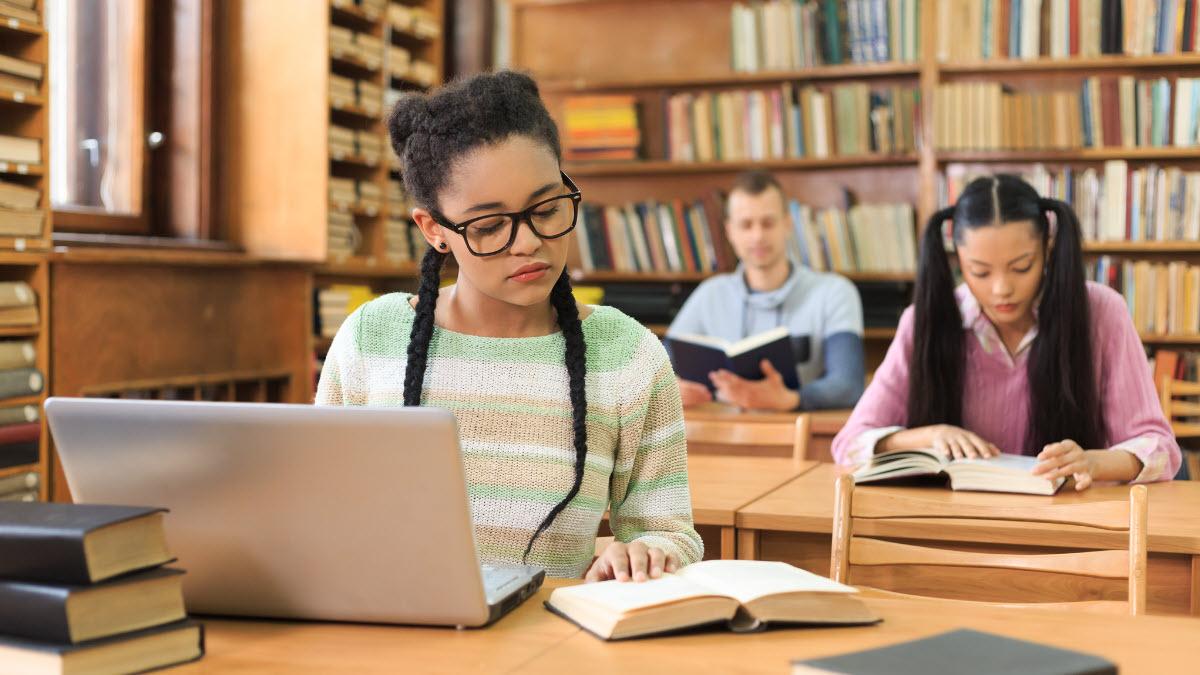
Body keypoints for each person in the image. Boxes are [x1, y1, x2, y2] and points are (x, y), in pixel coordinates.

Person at [316, 71, 703, 580]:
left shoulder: (627, 353)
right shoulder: (371, 339)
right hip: (394, 639)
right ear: (434, 230)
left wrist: (643, 553)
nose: (528, 243)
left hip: (549, 646)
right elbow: (321, 515)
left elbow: (670, 531)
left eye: (545, 208)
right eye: (489, 225)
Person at [832, 175, 1180, 489]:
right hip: (956, 529)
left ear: (1047, 249)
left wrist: (1093, 461)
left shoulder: (1102, 313)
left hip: (1075, 532)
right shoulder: (924, 320)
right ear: (958, 260)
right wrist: (927, 436)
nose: (1001, 289)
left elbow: (1158, 446)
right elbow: (849, 445)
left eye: (1021, 267)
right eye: (980, 272)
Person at [666, 170, 865, 411]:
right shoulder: (710, 293)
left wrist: (791, 400)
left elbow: (848, 385)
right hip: (724, 433)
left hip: (798, 433)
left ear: (788, 224)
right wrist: (669, 388)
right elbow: (656, 366)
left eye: (768, 223)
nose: (758, 236)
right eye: (746, 225)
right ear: (730, 231)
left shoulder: (834, 292)